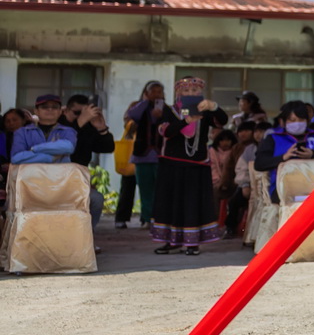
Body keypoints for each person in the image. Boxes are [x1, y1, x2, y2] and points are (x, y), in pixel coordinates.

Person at [151, 78, 228, 256]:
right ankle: (171, 241)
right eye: (187, 91)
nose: (191, 94)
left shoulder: (205, 112)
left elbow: (222, 120)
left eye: (195, 90)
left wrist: (214, 106)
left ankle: (192, 243)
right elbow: (166, 132)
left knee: (192, 203)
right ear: (179, 93)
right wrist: (186, 121)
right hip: (172, 165)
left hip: (196, 165)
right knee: (172, 203)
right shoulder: (169, 110)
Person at [253, 101, 314, 205]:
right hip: (282, 189)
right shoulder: (273, 138)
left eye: (301, 120)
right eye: (292, 120)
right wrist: (284, 157)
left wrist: (313, 155)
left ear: (307, 121)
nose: (297, 123)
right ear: (283, 122)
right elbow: (259, 164)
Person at [61, 94, 117, 224]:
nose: (82, 116)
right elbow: (64, 145)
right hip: (56, 180)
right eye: (77, 113)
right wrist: (80, 122)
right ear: (66, 111)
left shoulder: (87, 128)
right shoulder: (60, 124)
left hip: (78, 180)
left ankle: (87, 238)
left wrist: (102, 128)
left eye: (84, 113)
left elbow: (107, 148)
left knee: (96, 199)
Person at [122, 81, 167, 229]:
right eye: (153, 91)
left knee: (160, 190)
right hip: (142, 155)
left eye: (159, 91)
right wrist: (145, 102)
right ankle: (148, 219)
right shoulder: (139, 107)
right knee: (145, 190)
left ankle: (159, 218)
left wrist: (161, 114)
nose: (156, 94)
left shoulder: (167, 109)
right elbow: (132, 115)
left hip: (161, 156)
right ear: (146, 93)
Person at [8, 95, 78, 164]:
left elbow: (68, 147)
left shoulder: (68, 131)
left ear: (60, 111)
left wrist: (34, 149)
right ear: (36, 111)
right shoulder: (22, 132)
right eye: (44, 107)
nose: (50, 109)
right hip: (31, 175)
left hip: (61, 175)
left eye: (54, 107)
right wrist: (50, 158)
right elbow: (16, 158)